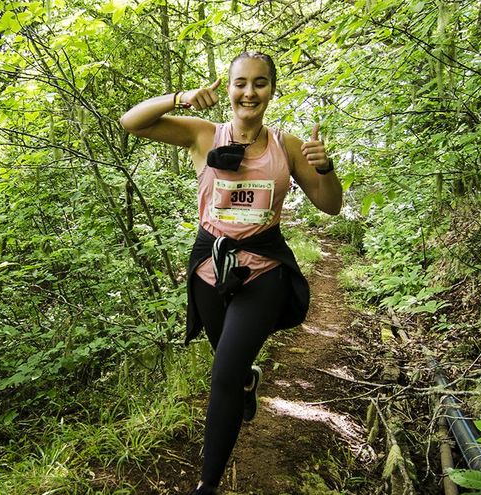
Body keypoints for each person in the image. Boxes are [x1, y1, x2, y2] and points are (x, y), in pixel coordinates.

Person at [119, 51, 343, 494]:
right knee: (229, 361)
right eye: (241, 83)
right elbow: (132, 122)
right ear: (228, 88)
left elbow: (331, 205)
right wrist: (180, 97)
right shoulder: (203, 135)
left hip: (264, 268)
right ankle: (247, 379)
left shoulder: (289, 146)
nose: (249, 92)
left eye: (260, 83)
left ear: (271, 90)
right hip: (209, 265)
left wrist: (326, 167)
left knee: (221, 374)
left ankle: (207, 485)